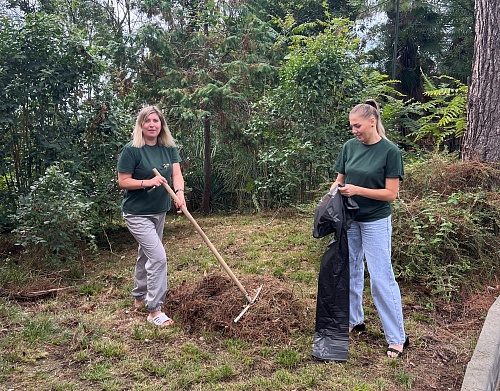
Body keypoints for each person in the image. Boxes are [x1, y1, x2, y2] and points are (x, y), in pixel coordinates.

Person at [330, 99, 408, 358]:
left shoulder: (390, 152)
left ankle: (397, 338)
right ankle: (355, 321)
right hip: (350, 219)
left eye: (357, 125)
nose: (354, 131)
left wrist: (358, 190)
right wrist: (330, 198)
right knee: (350, 271)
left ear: (372, 121)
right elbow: (339, 180)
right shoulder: (349, 147)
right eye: (351, 127)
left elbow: (391, 194)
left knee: (380, 278)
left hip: (375, 221)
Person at [117, 105, 186, 327]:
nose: (152, 125)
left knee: (146, 254)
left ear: (161, 125)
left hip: (159, 211)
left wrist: (180, 194)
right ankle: (154, 310)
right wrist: (148, 182)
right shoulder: (132, 150)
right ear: (141, 125)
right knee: (158, 257)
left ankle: (139, 295)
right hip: (137, 213)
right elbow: (123, 181)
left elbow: (177, 174)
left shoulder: (168, 148)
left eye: (156, 121)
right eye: (148, 121)